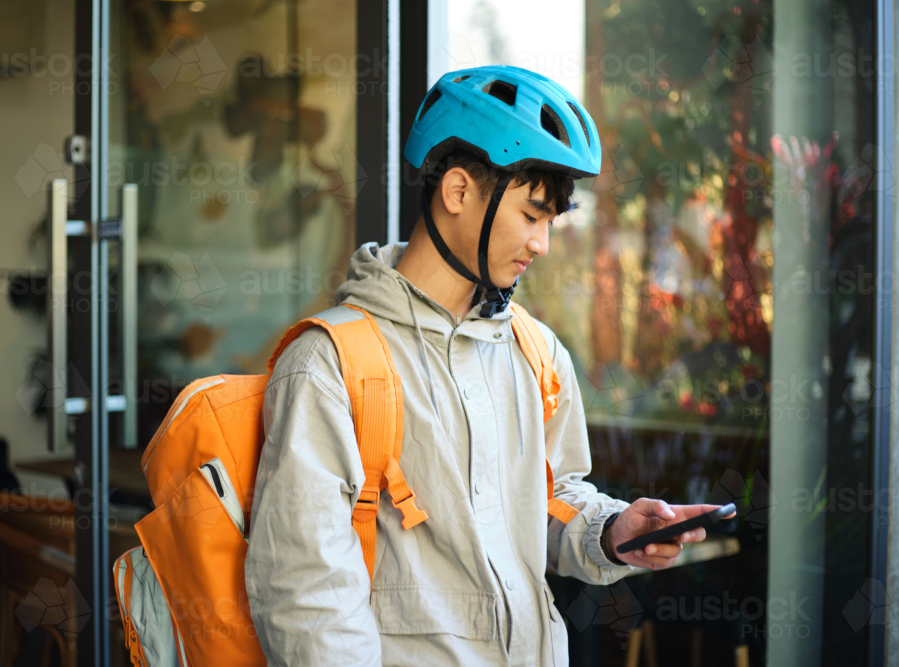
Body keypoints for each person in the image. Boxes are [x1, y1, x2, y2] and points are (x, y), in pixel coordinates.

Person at [244, 65, 732, 666]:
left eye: (551, 222)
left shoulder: (536, 349)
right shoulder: (329, 362)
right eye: (531, 216)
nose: (543, 244)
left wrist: (611, 531)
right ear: (457, 192)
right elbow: (306, 599)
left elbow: (554, 499)